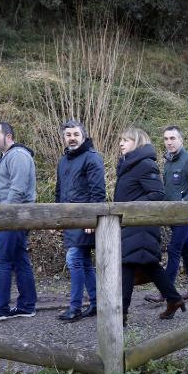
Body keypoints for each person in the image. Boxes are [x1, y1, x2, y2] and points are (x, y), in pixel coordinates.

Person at [115, 127, 185, 325]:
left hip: (141, 225)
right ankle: (174, 299)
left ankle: (121, 314)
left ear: (137, 142)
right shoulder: (129, 164)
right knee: (150, 265)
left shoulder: (145, 164)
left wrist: (131, 208)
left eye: (126, 140)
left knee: (127, 264)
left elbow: (157, 193)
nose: (121, 143)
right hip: (132, 225)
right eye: (121, 139)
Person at [0, 122, 38, 321]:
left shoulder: (18, 155)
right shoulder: (4, 157)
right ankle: (27, 306)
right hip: (12, 217)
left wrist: (5, 217)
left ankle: (0, 307)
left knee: (0, 258)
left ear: (8, 137)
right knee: (19, 260)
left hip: (14, 217)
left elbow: (17, 190)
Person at [145, 125, 188, 304]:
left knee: (174, 250)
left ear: (181, 140)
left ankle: (166, 291)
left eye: (173, 138)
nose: (169, 142)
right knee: (187, 251)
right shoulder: (168, 161)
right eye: (166, 139)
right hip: (172, 216)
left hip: (184, 215)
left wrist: (185, 201)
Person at [55, 120, 106, 322]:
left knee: (74, 259)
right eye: (68, 135)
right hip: (69, 220)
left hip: (85, 221)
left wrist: (91, 220)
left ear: (83, 135)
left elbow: (98, 192)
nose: (72, 138)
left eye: (76, 134)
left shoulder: (92, 158)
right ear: (64, 138)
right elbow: (59, 191)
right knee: (83, 262)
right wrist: (58, 216)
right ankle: (95, 303)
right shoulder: (63, 160)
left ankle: (75, 307)